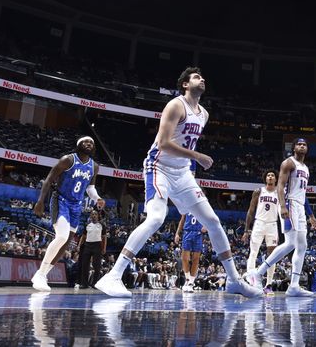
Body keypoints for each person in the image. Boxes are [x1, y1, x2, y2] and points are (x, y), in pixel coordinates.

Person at [95, 67, 261, 298]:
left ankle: (234, 280)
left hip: (182, 173)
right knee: (156, 218)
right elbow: (163, 143)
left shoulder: (203, 113)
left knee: (213, 221)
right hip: (159, 167)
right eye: (196, 77)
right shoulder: (175, 105)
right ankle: (113, 276)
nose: (202, 79)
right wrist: (197, 156)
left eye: (203, 76)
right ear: (185, 84)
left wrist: (191, 161)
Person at [245, 139, 316, 296]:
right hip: (290, 203)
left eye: (305, 144)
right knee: (290, 243)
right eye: (299, 144)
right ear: (294, 148)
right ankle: (258, 273)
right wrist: (283, 205)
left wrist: (311, 215)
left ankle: (293, 286)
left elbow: (304, 195)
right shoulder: (288, 163)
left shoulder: (306, 168)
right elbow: (280, 186)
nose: (302, 146)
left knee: (302, 246)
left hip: (299, 206)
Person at [32, 136, 105, 291]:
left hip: (76, 206)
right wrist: (40, 201)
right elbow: (49, 179)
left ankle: (43, 275)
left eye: (91, 142)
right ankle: (39, 274)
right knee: (62, 236)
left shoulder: (94, 167)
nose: (89, 144)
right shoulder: (68, 160)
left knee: (65, 244)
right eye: (85, 142)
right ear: (78, 145)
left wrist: (97, 198)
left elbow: (90, 188)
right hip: (61, 200)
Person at [242, 170, 281, 294]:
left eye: (272, 175)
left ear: (276, 179)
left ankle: (268, 284)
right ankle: (251, 280)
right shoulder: (258, 191)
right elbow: (250, 211)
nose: (270, 177)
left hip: (273, 225)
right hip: (259, 223)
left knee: (272, 256)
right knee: (253, 252)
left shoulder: (279, 193)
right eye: (268, 175)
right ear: (265, 178)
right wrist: (246, 230)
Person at [174, 212, 207, 292]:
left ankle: (191, 283)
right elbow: (182, 220)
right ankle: (187, 280)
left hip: (198, 234)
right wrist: (177, 233)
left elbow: (208, 218)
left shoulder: (201, 205)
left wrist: (206, 226)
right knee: (185, 259)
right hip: (187, 232)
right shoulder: (186, 205)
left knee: (195, 260)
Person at [76, 209, 106, 289]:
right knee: (85, 265)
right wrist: (79, 246)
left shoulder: (102, 225)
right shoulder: (87, 225)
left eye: (95, 214)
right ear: (90, 216)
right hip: (87, 245)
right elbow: (83, 236)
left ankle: (95, 283)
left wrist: (104, 248)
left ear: (98, 215)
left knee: (97, 266)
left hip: (97, 245)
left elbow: (104, 238)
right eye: (92, 214)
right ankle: (84, 284)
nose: (94, 215)